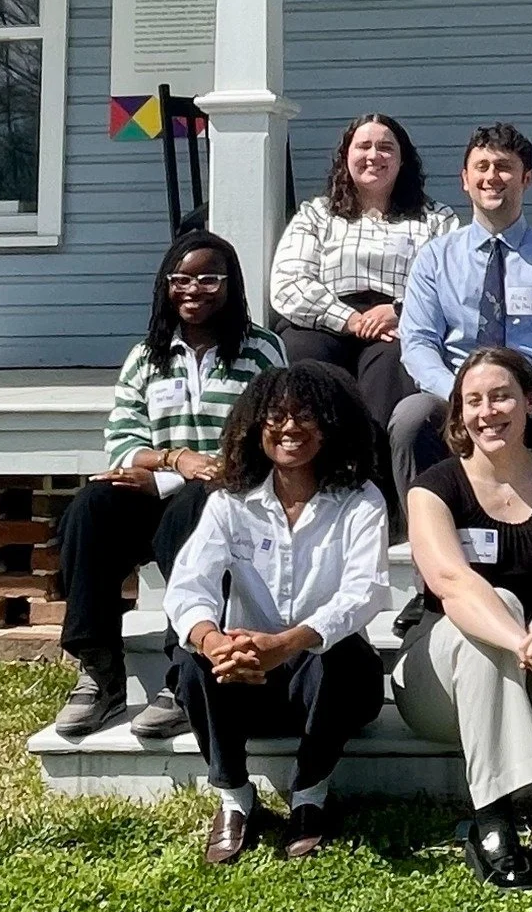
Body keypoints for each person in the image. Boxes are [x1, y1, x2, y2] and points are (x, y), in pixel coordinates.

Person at [393, 348, 532, 889]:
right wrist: (528, 648)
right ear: (459, 413)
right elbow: (452, 583)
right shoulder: (432, 488)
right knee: (496, 606)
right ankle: (490, 813)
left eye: (501, 396)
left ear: (530, 402)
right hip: (443, 685)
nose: (487, 412)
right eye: (473, 401)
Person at [53, 231, 285, 745]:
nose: (193, 290)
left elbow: (271, 437)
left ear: (231, 285)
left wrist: (189, 472)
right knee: (91, 506)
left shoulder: (261, 350)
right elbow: (123, 441)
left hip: (230, 502)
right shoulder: (146, 356)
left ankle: (183, 675)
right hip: (155, 492)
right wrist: (176, 462)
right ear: (165, 286)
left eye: (208, 278)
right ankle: (100, 669)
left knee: (201, 503)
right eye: (180, 279)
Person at [165, 363, 392, 864]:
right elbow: (188, 585)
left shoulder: (360, 501)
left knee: (341, 654)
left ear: (334, 426)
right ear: (255, 425)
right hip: (246, 678)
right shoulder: (231, 500)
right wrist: (215, 642)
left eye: (307, 416)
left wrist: (285, 644)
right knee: (190, 661)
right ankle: (234, 797)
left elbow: (365, 593)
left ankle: (309, 797)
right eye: (276, 416)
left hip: (327, 683)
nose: (290, 428)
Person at [389, 123, 532, 503]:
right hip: (451, 390)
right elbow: (417, 341)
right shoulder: (436, 258)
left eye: (503, 167)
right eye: (481, 167)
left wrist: (518, 393)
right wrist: (462, 394)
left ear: (526, 178)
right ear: (465, 179)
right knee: (411, 417)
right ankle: (426, 528)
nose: (491, 177)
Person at [269, 113, 458, 438]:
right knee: (304, 360)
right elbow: (289, 282)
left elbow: (451, 283)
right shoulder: (316, 214)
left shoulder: (436, 220)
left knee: (396, 364)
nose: (374, 155)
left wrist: (400, 311)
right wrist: (350, 319)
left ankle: (376, 474)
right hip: (322, 320)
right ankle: (319, 471)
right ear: (346, 157)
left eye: (386, 148)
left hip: (396, 322)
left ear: (403, 160)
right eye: (364, 146)